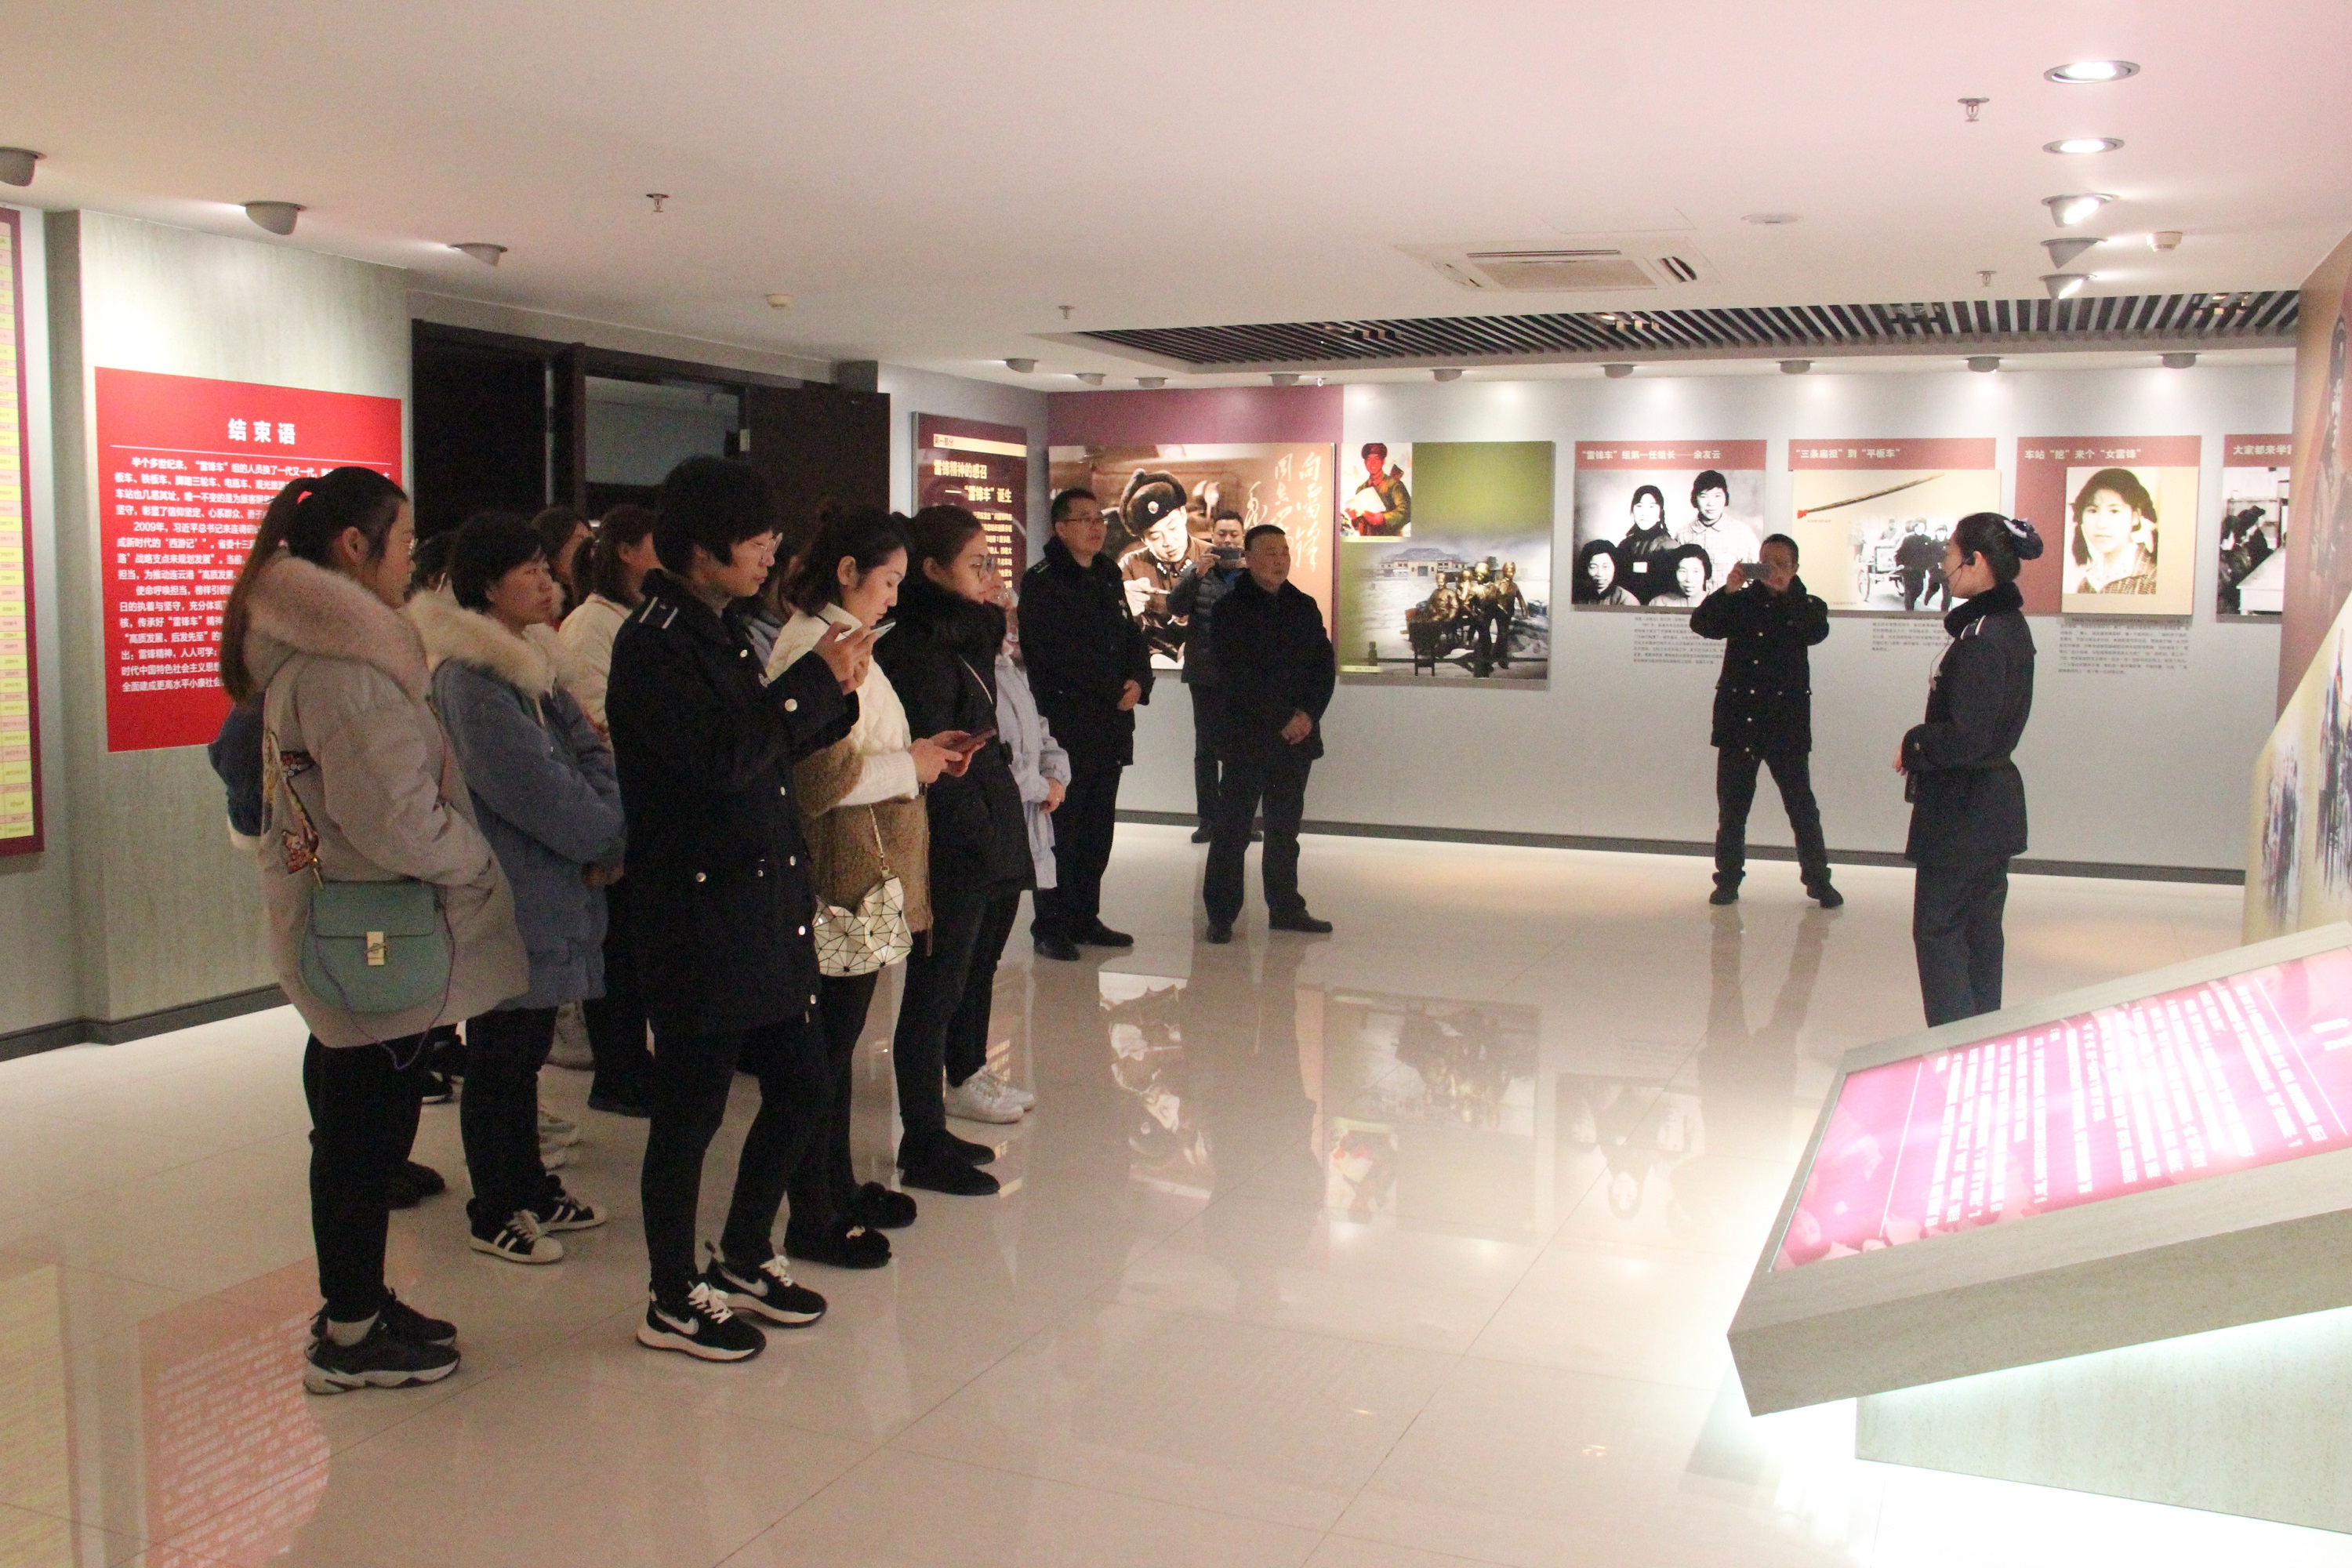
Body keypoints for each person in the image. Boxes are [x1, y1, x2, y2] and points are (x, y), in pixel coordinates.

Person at [220, 466, 528, 1395]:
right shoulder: (347, 672)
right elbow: (393, 816)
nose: (412, 559)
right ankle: (350, 1331)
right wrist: (474, 857)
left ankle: (358, 1301)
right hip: (374, 935)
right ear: (355, 547)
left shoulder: (329, 656)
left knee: (357, 1122)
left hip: (358, 928)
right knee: (363, 1136)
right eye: (403, 540)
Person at [605, 455, 872, 1362]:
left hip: (761, 899)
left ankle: (747, 1250)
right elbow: (719, 758)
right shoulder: (654, 642)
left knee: (804, 1080)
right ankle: (671, 1294)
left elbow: (760, 744)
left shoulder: (719, 627)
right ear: (703, 548)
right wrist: (811, 686)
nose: (770, 555)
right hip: (699, 911)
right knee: (691, 1110)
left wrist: (835, 693)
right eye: (756, 541)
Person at [413, 514, 624, 1265]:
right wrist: (605, 835)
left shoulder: (532, 659)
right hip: (511, 888)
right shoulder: (470, 679)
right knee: (500, 1055)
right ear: (486, 585)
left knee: (525, 1050)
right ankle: (495, 1207)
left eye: (545, 566)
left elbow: (590, 752)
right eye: (529, 570)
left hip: (547, 883)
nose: (547, 581)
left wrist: (602, 821)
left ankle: (530, 1185)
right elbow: (537, 789)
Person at [768, 506, 957, 1265]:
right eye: (887, 581)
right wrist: (912, 765)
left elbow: (865, 748)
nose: (894, 598)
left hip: (864, 869)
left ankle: (838, 1187)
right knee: (824, 1050)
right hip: (839, 871)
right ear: (846, 572)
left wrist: (917, 753)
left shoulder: (847, 641)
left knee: (839, 1046)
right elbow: (824, 780)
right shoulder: (813, 646)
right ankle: (814, 1208)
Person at [876, 506, 1036, 1193]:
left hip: (982, 826)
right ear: (933, 571)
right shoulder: (917, 650)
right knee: (933, 991)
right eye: (977, 564)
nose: (991, 577)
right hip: (950, 838)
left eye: (993, 563)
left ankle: (937, 1123)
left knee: (966, 978)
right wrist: (973, 830)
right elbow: (937, 758)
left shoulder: (966, 638)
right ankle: (922, 1136)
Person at [1897, 511, 2044, 1025]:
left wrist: (1915, 743)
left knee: (1942, 932)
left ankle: (1954, 1047)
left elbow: (1968, 735)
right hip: (1987, 808)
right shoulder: (2006, 626)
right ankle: (1981, 1041)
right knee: (1980, 933)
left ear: (1976, 561)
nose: (1943, 564)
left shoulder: (1983, 636)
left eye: (1950, 554)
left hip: (1965, 811)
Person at [558, 503, 662, 1117]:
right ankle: (618, 1070)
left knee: (634, 948)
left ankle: (631, 1064)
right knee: (617, 950)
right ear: (625, 550)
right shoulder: (591, 625)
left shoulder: (636, 616)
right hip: (616, 808)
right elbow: (597, 727)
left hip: (642, 807)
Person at [1020, 488, 1152, 956]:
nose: (1096, 527)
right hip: (1067, 727)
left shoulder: (1108, 573)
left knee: (1097, 829)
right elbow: (1051, 657)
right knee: (1062, 829)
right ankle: (1050, 925)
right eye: (1084, 519)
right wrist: (1109, 689)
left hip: (1111, 727)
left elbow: (1131, 637)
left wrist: (1139, 680)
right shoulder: (1042, 583)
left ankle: (1085, 916)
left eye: (1099, 519)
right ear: (1061, 528)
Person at [1690, 535, 1840, 909]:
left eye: (1780, 563)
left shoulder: (1808, 605)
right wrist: (1728, 589)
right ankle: (1727, 880)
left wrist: (1787, 592)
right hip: (1739, 720)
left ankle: (1819, 881)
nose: (1771, 570)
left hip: (1785, 723)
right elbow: (1702, 624)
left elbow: (1816, 631)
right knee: (1732, 810)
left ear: (1795, 568)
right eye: (1765, 562)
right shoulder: (1740, 603)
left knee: (1802, 809)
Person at [1203, 524, 1337, 944]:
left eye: (1284, 552)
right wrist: (1282, 717)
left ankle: (1285, 907)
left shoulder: (1303, 606)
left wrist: (1307, 715)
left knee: (1285, 828)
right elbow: (1236, 676)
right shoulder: (1230, 610)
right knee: (1233, 828)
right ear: (1248, 558)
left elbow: (1322, 668)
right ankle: (1222, 914)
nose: (1280, 560)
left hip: (1297, 738)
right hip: (1248, 736)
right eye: (1269, 552)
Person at [1167, 510, 1248, 840]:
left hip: (1243, 678)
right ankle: (1208, 820)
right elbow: (1175, 607)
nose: (1227, 540)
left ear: (1243, 538)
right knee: (1206, 751)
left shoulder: (1251, 575)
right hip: (1204, 675)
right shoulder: (1197, 570)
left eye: (1234, 534)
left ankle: (1237, 820)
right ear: (1212, 537)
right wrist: (1195, 575)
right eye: (1222, 534)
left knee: (1240, 750)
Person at [1118, 472, 1207, 664]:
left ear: (1183, 514)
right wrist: (1123, 605)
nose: (1168, 542)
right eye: (1156, 537)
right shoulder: (1131, 566)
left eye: (1172, 527)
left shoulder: (1212, 557)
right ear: (1143, 539)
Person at [2067, 467, 2161, 595]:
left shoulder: (2152, 579)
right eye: (2093, 511)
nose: (2101, 524)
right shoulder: (2088, 581)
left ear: (2135, 517)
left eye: (2114, 511)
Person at [1678, 470, 1760, 593]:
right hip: (1694, 604)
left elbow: (1758, 580)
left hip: (1731, 603)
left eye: (1717, 496)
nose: (1711, 503)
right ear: (1695, 499)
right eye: (1704, 496)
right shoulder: (1683, 534)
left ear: (1726, 498)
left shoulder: (1742, 533)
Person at [531, 505, 592, 618]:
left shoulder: (596, 600)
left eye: (591, 541)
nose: (589, 550)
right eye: (580, 541)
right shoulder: (539, 612)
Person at [1617, 485, 1675, 601]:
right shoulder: (1624, 545)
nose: (1644, 513)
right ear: (1632, 512)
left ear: (1660, 514)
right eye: (1639, 506)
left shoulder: (1669, 546)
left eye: (1651, 507)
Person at [1348, 443, 1411, 535]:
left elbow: (1407, 511)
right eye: (1369, 459)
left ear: (1383, 461)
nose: (1372, 463)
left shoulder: (1394, 484)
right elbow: (1359, 525)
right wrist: (1354, 518)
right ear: (1365, 462)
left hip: (1390, 540)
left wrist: (1383, 519)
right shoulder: (1361, 489)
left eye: (1377, 458)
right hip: (1367, 541)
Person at [1573, 540, 1637, 605]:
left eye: (1605, 567)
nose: (1600, 574)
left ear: (1615, 567)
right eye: (1593, 567)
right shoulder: (1577, 596)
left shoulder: (1627, 600)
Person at [1648, 546, 1712, 609]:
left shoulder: (1715, 603)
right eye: (1683, 571)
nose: (1689, 579)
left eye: (1696, 571)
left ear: (1706, 572)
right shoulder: (1660, 603)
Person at [1893, 527, 1940, 612]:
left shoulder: (1927, 539)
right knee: (1909, 591)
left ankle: (1910, 603)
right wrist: (1900, 564)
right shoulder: (1907, 538)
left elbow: (1930, 554)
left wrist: (1931, 565)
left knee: (1919, 589)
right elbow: (1898, 552)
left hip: (1920, 570)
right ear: (1914, 528)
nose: (1920, 529)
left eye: (1922, 527)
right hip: (1908, 569)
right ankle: (1909, 610)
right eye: (1918, 527)